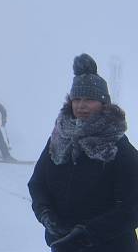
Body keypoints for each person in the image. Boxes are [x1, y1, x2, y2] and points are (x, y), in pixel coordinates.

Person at [28, 53, 138, 252]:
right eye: (76, 98)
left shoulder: (119, 146)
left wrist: (88, 233)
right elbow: (37, 183)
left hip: (110, 246)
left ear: (104, 103)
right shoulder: (58, 139)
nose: (81, 105)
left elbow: (131, 207)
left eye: (89, 99)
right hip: (63, 244)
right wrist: (45, 214)